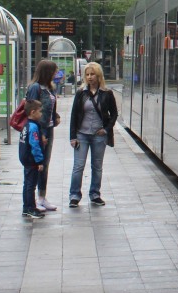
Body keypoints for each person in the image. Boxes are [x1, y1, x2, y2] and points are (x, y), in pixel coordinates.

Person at [69, 61, 118, 208]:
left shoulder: (107, 94)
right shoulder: (81, 93)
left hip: (99, 135)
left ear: (99, 76)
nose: (90, 77)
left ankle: (95, 194)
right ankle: (74, 195)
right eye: (87, 74)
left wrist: (107, 129)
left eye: (93, 74)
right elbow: (73, 115)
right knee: (78, 166)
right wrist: (73, 136)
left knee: (97, 166)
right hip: (82, 134)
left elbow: (114, 114)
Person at [26, 60, 61, 211]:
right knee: (38, 164)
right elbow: (32, 110)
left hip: (49, 127)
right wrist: (40, 133)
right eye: (54, 71)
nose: (56, 74)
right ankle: (33, 199)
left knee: (45, 164)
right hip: (40, 130)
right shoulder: (35, 88)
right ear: (47, 72)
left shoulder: (50, 88)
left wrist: (56, 115)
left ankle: (42, 196)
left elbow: (49, 106)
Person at [19, 99, 47, 219]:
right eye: (40, 112)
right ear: (33, 112)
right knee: (31, 184)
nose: (41, 114)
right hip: (31, 160)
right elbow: (34, 144)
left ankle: (27, 206)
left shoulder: (26, 125)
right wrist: (39, 161)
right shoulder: (34, 127)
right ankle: (30, 207)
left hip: (25, 158)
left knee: (27, 183)